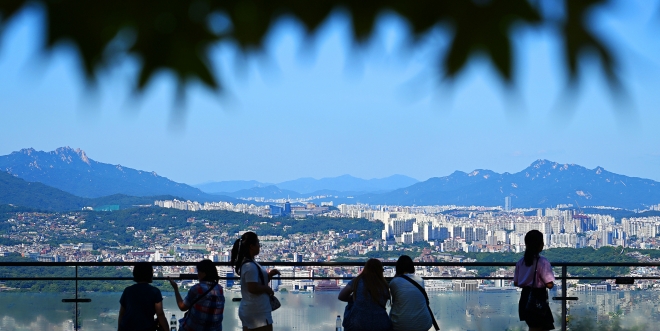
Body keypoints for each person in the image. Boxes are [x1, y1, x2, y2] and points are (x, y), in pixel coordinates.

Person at [230, 231, 280, 331]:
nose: (259, 246)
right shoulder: (250, 266)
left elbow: (256, 281)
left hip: (252, 309)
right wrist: (267, 289)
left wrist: (269, 275)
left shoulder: (250, 263)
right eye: (258, 244)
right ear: (251, 246)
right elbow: (252, 287)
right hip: (257, 312)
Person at [513, 230, 555, 331]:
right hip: (538, 298)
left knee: (533, 326)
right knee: (540, 326)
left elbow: (516, 282)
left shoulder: (521, 262)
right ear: (540, 245)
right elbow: (549, 284)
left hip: (525, 297)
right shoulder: (543, 262)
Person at [169, 259, 225, 331]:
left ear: (204, 273)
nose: (197, 274)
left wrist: (176, 289)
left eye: (198, 271)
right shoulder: (220, 289)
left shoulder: (197, 289)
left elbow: (182, 307)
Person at [338, 258, 392, 331]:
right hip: (381, 323)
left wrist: (354, 298)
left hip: (357, 323)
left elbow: (341, 296)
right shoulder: (384, 285)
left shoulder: (357, 281)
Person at [118, 262, 168, 331]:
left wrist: (119, 329)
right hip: (146, 328)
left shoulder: (128, 290)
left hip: (126, 327)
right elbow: (160, 314)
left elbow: (121, 314)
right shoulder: (155, 291)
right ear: (150, 275)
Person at [389, 255, 433, 331]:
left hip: (400, 325)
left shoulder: (394, 282)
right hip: (423, 323)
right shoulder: (420, 280)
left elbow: (395, 301)